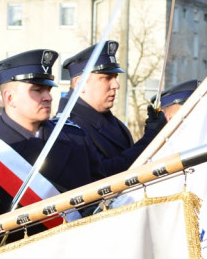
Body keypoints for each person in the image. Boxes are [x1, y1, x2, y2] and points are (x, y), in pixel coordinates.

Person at [0, 48, 100, 212]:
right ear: (10, 98)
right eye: (37, 90)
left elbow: (101, 192)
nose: (48, 97)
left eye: (48, 89)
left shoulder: (76, 137)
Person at [59, 41, 166, 177]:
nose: (116, 85)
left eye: (115, 77)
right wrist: (150, 138)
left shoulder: (109, 120)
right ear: (80, 83)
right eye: (106, 78)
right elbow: (102, 174)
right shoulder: (67, 127)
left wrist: (152, 133)